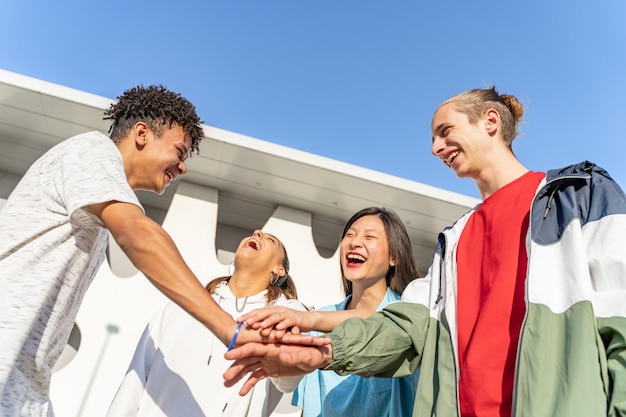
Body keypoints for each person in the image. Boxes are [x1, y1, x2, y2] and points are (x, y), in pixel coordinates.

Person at [223, 86, 626, 417]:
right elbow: (400, 331)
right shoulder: (452, 244)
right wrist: (322, 351)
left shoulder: (580, 197)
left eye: (445, 131)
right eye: (434, 138)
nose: (436, 148)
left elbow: (621, 321)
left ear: (489, 122)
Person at [0, 85, 263, 416]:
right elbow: (139, 235)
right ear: (141, 134)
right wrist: (229, 328)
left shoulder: (97, 203)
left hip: (25, 388)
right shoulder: (91, 152)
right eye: (179, 152)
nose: (182, 168)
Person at [239, 207, 420, 416]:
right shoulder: (318, 323)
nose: (354, 242)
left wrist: (309, 318)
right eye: (349, 235)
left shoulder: (407, 315)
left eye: (369, 236)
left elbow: (379, 327)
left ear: (394, 257)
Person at [106, 230, 306, 417]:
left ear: (279, 270)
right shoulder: (182, 306)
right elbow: (137, 375)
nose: (257, 233)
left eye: (270, 240)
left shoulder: (286, 314)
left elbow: (288, 380)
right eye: (255, 233)